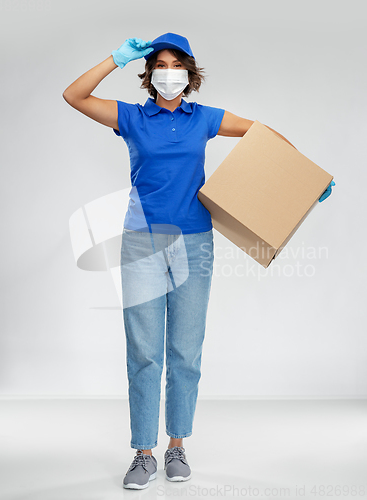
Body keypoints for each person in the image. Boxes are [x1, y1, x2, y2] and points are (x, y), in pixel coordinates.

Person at [62, 33, 334, 490]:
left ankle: (176, 446)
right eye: (159, 65)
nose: (168, 72)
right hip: (142, 242)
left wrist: (306, 175)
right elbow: (74, 96)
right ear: (149, 74)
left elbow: (260, 133)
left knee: (185, 353)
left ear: (189, 73)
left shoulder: (204, 118)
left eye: (176, 64)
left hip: (195, 242)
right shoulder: (130, 116)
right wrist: (116, 58)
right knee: (145, 353)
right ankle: (142, 454)